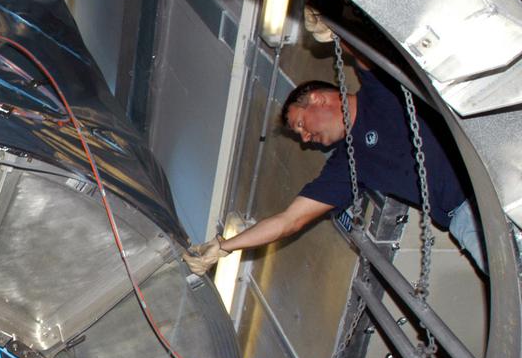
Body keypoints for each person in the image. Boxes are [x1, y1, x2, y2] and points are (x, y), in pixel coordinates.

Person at [185, 53, 484, 276]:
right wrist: (224, 247)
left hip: (486, 169)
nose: (304, 138)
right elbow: (289, 221)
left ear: (318, 98)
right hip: (466, 217)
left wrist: (331, 18)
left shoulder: (379, 94)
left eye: (300, 124)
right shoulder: (348, 166)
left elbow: (361, 48)